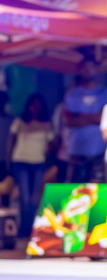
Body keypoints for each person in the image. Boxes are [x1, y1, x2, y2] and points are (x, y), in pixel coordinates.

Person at [8, 93, 54, 237]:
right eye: (33, 104)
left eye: (38, 104)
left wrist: (47, 155)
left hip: (38, 162)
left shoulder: (46, 124)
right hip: (21, 161)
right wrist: (9, 161)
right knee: (25, 198)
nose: (35, 107)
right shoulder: (20, 122)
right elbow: (11, 142)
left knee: (34, 198)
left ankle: (32, 229)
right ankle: (24, 229)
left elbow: (51, 144)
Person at [63, 57, 107, 182]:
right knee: (74, 190)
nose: (88, 71)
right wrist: (94, 117)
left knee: (97, 188)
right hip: (76, 151)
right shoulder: (72, 94)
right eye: (85, 67)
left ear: (97, 70)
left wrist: (81, 116)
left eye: (91, 67)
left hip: (99, 150)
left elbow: (103, 118)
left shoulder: (105, 93)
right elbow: (70, 121)